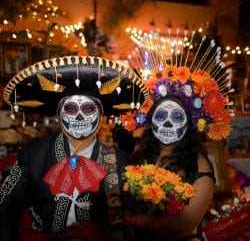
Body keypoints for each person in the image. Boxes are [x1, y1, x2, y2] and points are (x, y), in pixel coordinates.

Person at [0, 55, 148, 241]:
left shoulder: (119, 161)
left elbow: (136, 221)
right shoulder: (33, 153)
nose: (79, 118)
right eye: (70, 109)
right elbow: (5, 204)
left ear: (100, 115)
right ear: (59, 114)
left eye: (88, 109)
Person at [121, 30, 232, 240]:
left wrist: (127, 218)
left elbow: (179, 226)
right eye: (161, 115)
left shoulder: (200, 169)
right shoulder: (141, 153)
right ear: (150, 119)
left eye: (177, 117)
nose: (168, 123)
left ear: (189, 125)